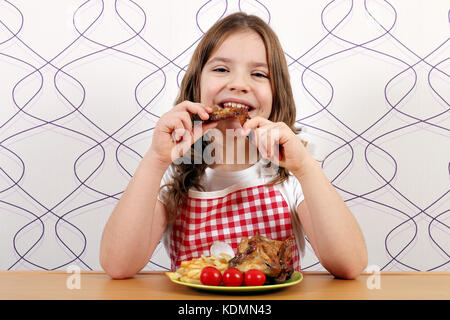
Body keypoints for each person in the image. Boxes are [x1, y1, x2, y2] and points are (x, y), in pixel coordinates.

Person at [100, 12, 368, 280]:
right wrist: (156, 160)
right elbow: (118, 265)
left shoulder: (291, 172)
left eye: (259, 73)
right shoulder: (175, 171)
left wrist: (307, 168)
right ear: (196, 84)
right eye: (221, 69)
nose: (239, 84)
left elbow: (349, 265)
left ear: (278, 95)